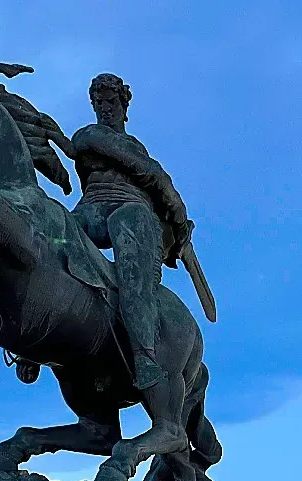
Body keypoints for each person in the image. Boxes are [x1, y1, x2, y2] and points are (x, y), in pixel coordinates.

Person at [70, 73, 192, 391]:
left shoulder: (135, 145)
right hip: (93, 207)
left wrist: (177, 231)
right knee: (53, 234)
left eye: (111, 101)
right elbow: (151, 173)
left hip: (132, 210)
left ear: (124, 105)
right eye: (98, 102)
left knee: (133, 269)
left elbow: (151, 183)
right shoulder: (88, 135)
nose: (104, 108)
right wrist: (178, 214)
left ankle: (144, 356)